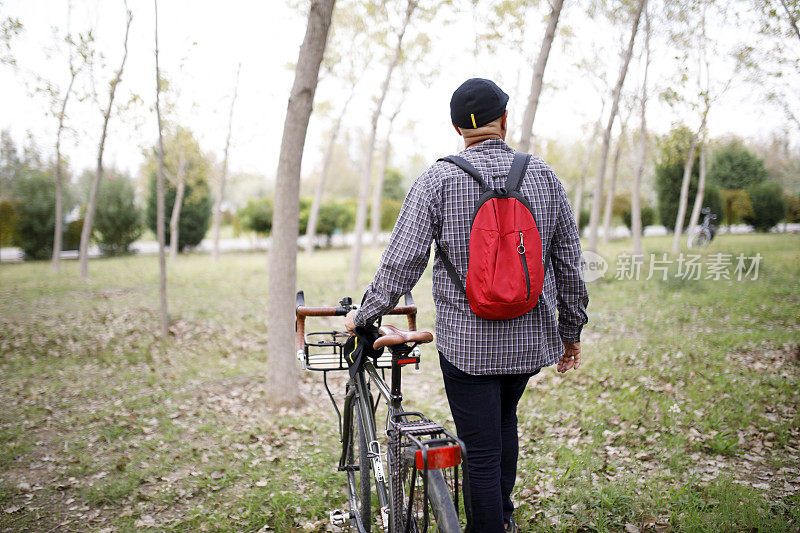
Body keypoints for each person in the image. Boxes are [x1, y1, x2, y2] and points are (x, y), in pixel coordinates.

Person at [345, 78, 589, 533]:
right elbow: (569, 264)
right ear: (505, 120)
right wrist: (571, 332)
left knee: (480, 448)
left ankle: (491, 526)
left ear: (458, 129)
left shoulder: (437, 179)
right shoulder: (543, 176)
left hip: (468, 346)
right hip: (528, 342)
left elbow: (403, 261)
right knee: (503, 423)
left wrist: (367, 313)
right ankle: (504, 518)